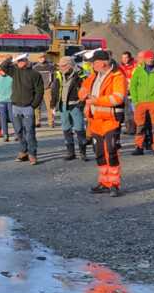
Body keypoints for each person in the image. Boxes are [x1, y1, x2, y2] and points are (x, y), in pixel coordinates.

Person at [79, 50, 126, 197]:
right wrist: (84, 94)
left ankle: (114, 185)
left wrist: (96, 100)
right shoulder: (94, 75)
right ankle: (104, 182)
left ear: (103, 63)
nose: (92, 64)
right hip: (95, 120)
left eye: (94, 62)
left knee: (111, 152)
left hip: (110, 120)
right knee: (99, 152)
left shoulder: (117, 76)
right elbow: (83, 87)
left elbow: (118, 98)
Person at [0, 53, 44, 165]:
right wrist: (11, 58)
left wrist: (34, 105)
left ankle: (32, 154)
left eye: (21, 60)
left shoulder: (35, 74)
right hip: (16, 106)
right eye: (17, 61)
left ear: (26, 61)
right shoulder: (15, 71)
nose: (19, 63)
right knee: (18, 131)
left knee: (30, 131)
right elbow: (3, 66)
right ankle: (24, 151)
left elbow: (39, 91)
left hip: (28, 107)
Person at [129, 50, 154, 156]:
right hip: (140, 102)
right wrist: (135, 100)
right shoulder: (138, 70)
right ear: (145, 59)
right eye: (149, 58)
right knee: (140, 125)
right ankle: (139, 146)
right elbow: (133, 85)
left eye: (152, 58)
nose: (151, 60)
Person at [51, 57, 87, 161]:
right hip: (63, 106)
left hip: (75, 106)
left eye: (62, 66)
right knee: (66, 129)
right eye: (60, 66)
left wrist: (80, 105)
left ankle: (83, 153)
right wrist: (52, 104)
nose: (60, 68)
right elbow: (55, 90)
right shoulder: (59, 75)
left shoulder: (80, 76)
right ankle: (71, 153)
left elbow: (85, 91)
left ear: (69, 66)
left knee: (79, 129)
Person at [32, 52, 56, 128]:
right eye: (39, 58)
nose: (41, 59)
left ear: (45, 57)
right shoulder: (35, 68)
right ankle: (37, 122)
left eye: (42, 57)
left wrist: (51, 87)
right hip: (37, 89)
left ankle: (51, 122)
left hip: (47, 88)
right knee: (36, 106)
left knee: (50, 106)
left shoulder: (51, 67)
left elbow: (54, 78)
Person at [118, 51, 138, 135]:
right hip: (124, 90)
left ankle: (133, 127)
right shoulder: (120, 67)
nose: (124, 60)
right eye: (123, 58)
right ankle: (127, 127)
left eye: (126, 58)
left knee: (132, 109)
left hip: (133, 90)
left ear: (130, 58)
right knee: (126, 110)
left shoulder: (135, 66)